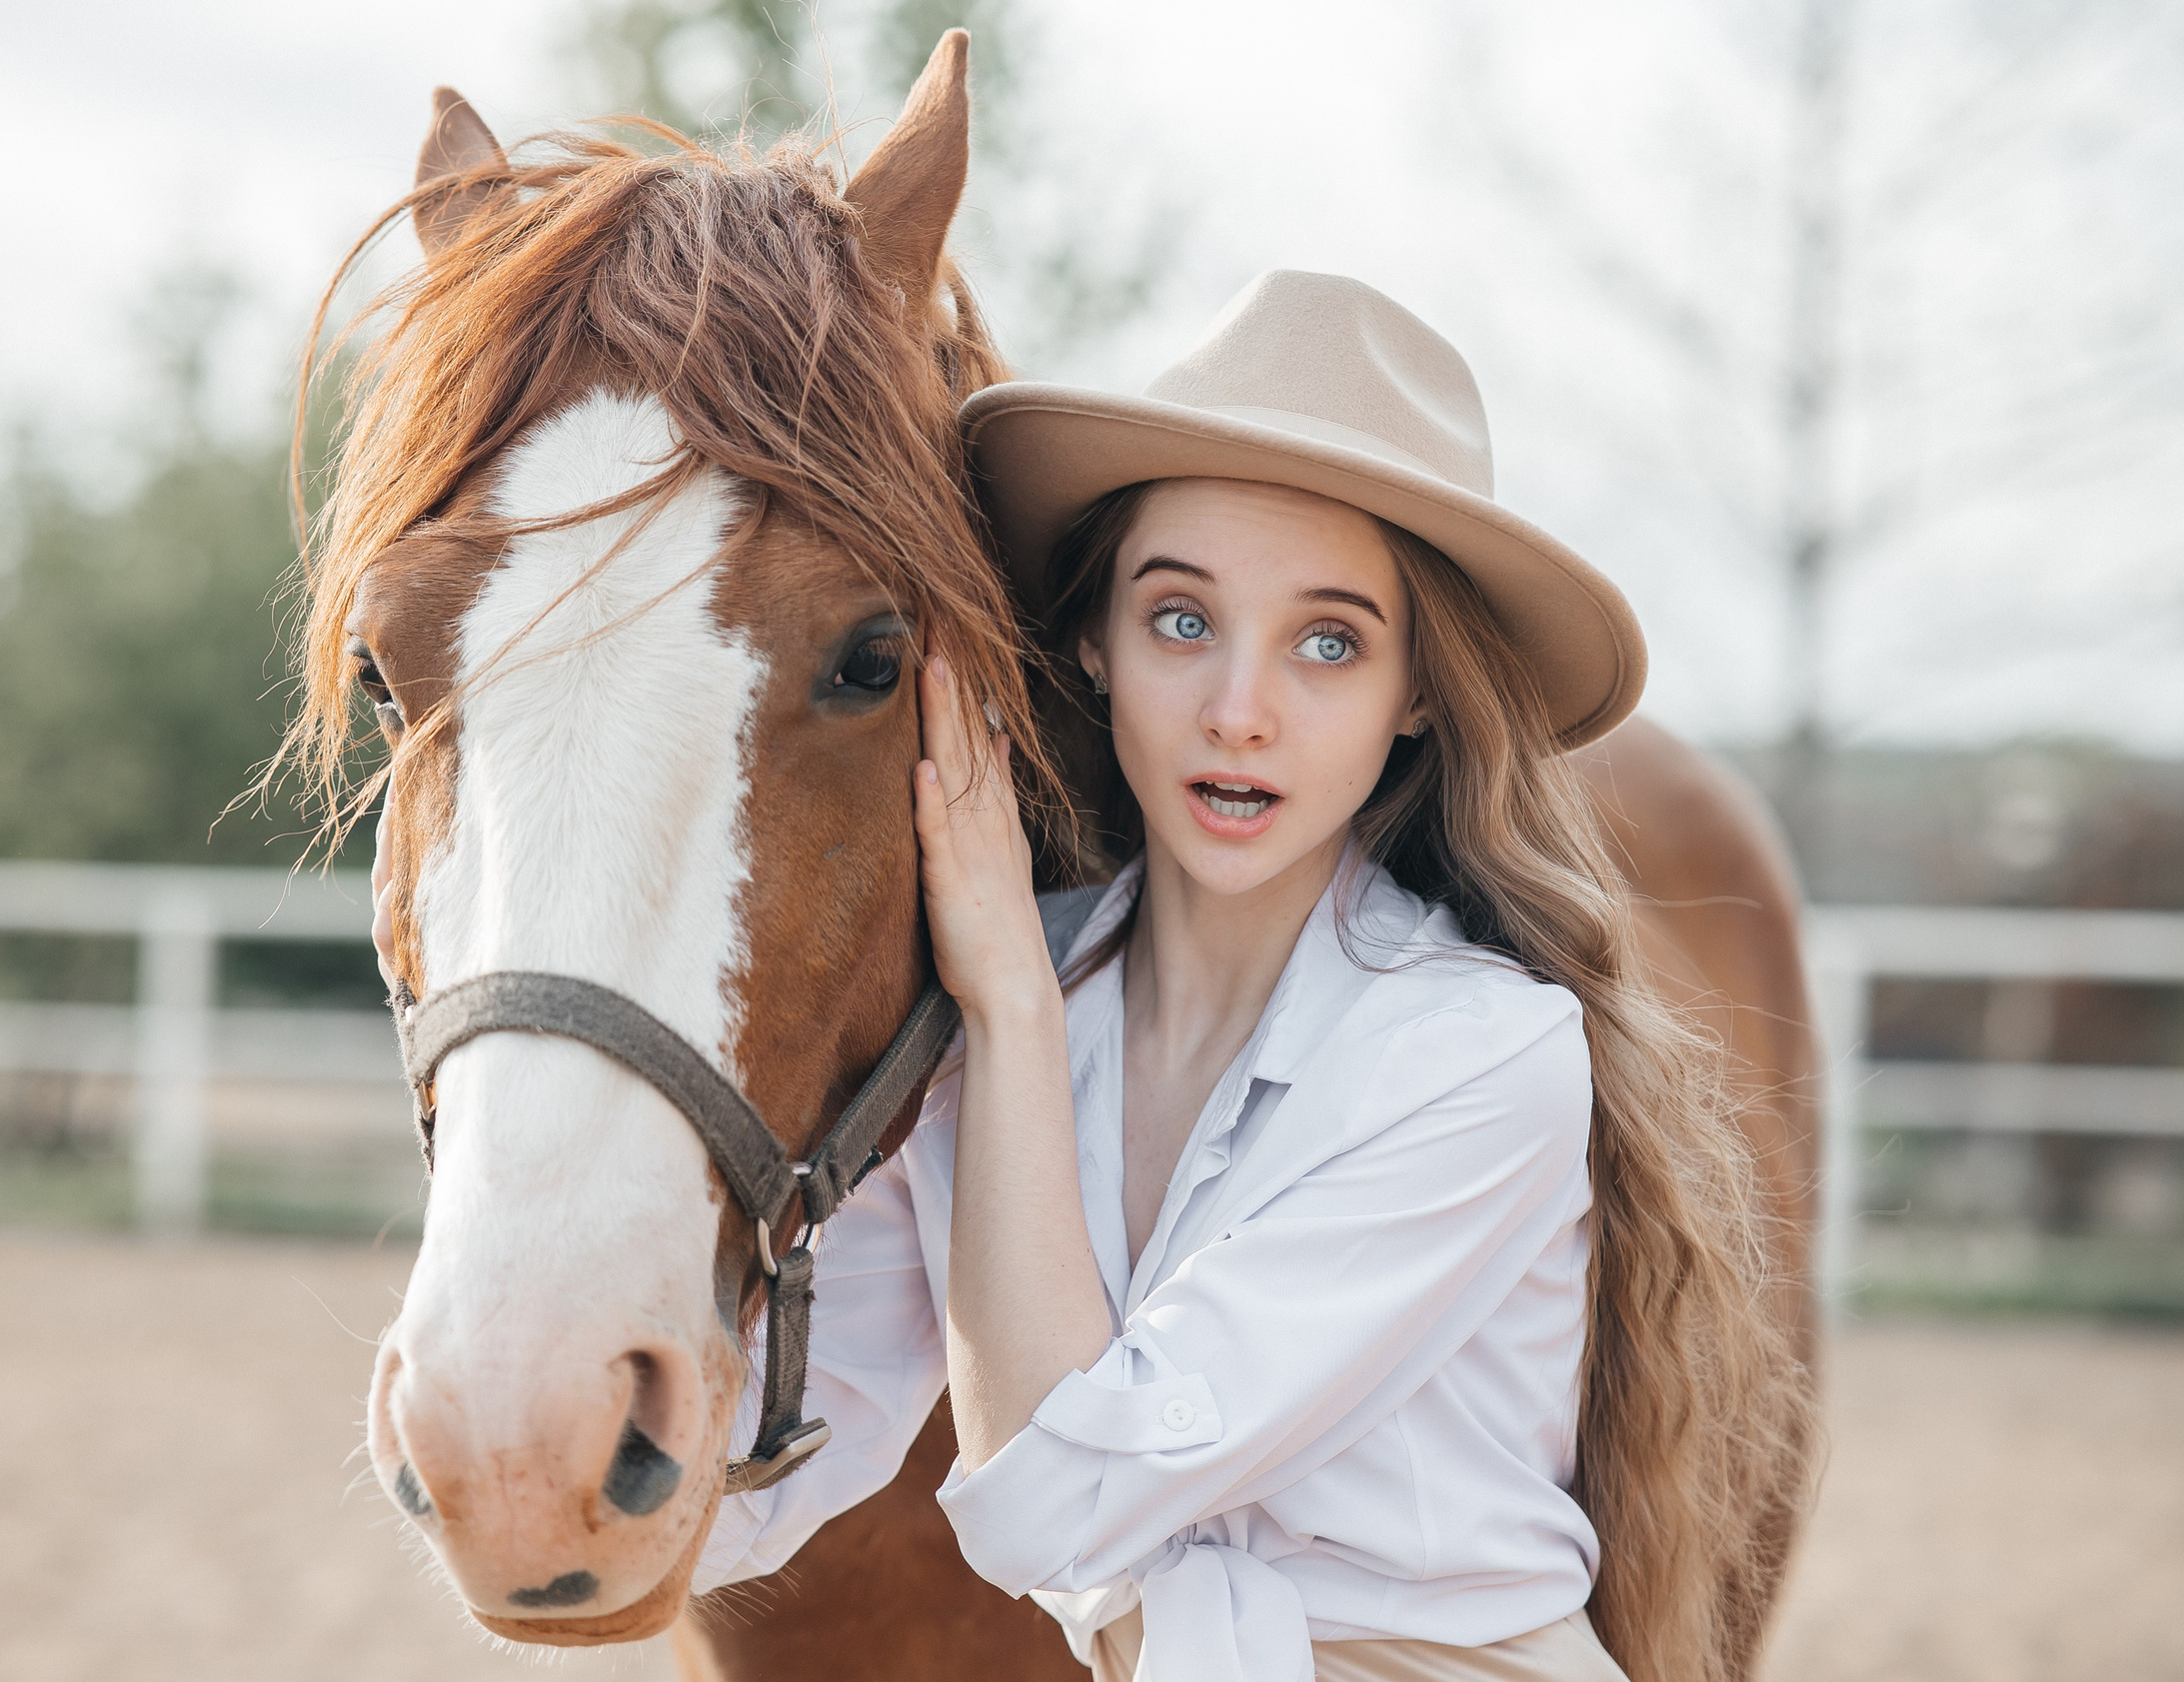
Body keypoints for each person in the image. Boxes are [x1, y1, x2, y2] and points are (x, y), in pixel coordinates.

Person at [691, 273, 1806, 1682]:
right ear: (1093, 641)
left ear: (1417, 695)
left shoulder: (1476, 1056)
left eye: (1328, 642)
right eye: (1180, 619)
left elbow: (1057, 1508)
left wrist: (1012, 1004)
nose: (1239, 711)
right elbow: (766, 1466)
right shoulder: (987, 1028)